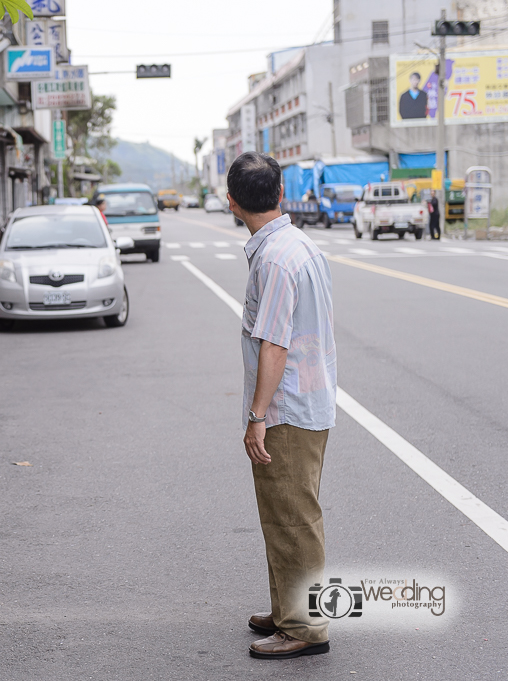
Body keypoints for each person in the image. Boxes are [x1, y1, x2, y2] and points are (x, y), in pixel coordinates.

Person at [226, 152, 337, 660]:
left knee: (293, 518)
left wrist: (257, 417)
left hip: (287, 409)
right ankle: (286, 609)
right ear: (281, 194)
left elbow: (274, 343)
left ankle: (306, 628)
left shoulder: (274, 258)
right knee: (283, 513)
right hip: (307, 399)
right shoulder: (297, 245)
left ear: (231, 202)